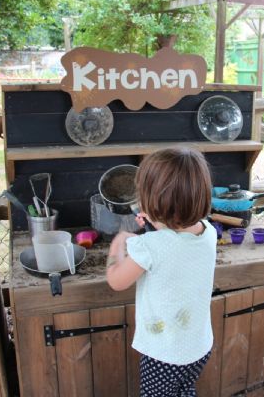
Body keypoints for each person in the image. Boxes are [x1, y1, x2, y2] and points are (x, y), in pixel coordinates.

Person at [106, 146, 217, 396]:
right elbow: (176, 242)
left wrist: (117, 246)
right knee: (184, 390)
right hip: (198, 347)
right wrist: (157, 224)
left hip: (165, 355)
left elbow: (116, 281)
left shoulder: (149, 247)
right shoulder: (208, 232)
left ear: (152, 200)